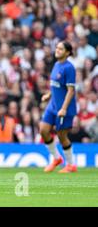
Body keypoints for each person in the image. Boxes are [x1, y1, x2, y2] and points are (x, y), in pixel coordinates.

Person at [40, 41, 77, 173]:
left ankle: (71, 165)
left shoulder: (69, 68)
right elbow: (56, 84)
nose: (57, 50)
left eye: (61, 49)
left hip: (64, 107)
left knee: (62, 136)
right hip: (53, 105)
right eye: (57, 48)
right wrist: (49, 94)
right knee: (43, 130)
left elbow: (70, 90)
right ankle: (56, 158)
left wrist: (64, 109)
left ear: (67, 52)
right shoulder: (56, 64)